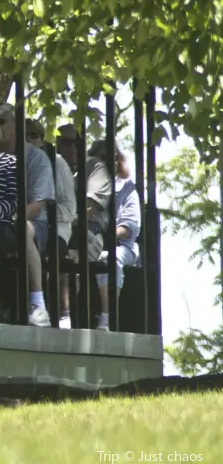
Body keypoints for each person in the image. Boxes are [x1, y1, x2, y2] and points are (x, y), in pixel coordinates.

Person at [0, 103, 56, 327]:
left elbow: (37, 205)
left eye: (1, 122)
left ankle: (38, 304)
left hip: (29, 223)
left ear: (16, 125)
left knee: (23, 228)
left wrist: (9, 216)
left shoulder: (36, 158)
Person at [25, 119, 76, 328]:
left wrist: (40, 210)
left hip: (56, 231)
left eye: (33, 135)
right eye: (24, 135)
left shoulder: (57, 163)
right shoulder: (14, 160)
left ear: (42, 140)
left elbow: (69, 208)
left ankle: (49, 310)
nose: (28, 140)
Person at [88, 141, 141, 331]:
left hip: (121, 246)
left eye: (113, 158)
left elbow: (130, 226)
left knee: (109, 258)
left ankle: (106, 316)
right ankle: (66, 314)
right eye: (101, 158)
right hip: (89, 241)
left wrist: (106, 238)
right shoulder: (87, 184)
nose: (107, 162)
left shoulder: (127, 187)